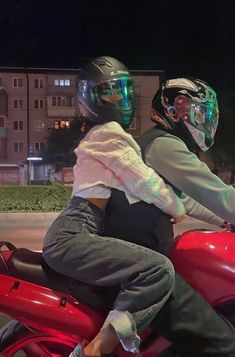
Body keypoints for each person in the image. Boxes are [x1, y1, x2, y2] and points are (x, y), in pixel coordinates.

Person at [42, 57, 186, 357]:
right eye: (107, 91)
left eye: (122, 89)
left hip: (81, 227)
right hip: (76, 230)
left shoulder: (103, 137)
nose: (118, 98)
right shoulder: (109, 134)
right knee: (157, 270)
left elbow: (140, 192)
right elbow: (148, 185)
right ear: (89, 98)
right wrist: (176, 209)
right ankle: (95, 350)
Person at [104, 78, 235, 356]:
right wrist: (228, 211)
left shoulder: (157, 144)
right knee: (223, 343)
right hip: (142, 264)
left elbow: (187, 199)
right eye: (197, 114)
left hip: (138, 255)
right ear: (175, 109)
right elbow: (218, 194)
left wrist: (225, 221)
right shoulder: (163, 146)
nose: (202, 122)